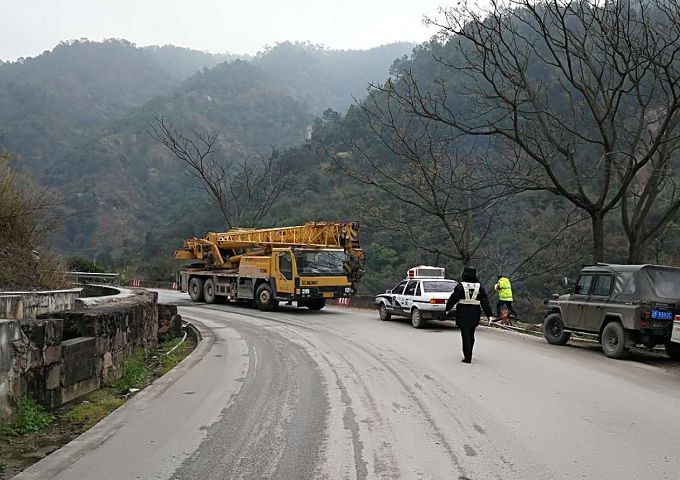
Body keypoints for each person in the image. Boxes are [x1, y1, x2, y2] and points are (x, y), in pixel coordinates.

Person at [446, 267, 494, 363]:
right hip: (475, 313)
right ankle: (470, 353)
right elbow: (484, 301)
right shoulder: (479, 287)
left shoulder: (460, 286)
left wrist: (448, 308)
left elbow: (453, 298)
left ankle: (467, 356)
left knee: (465, 334)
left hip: (462, 312)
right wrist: (489, 315)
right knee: (471, 334)